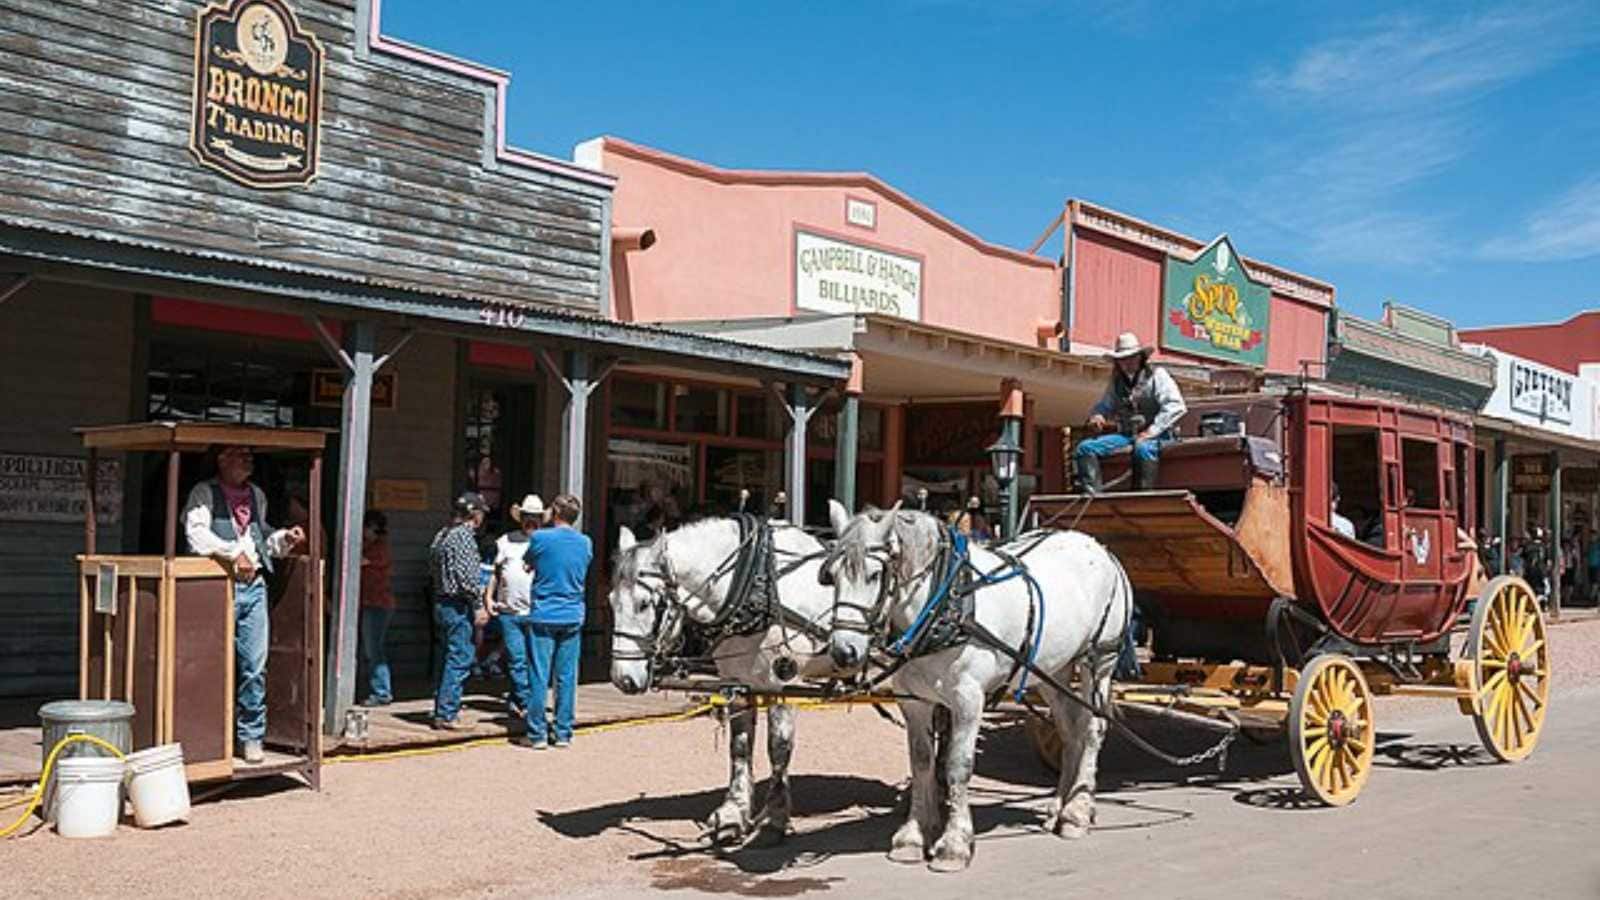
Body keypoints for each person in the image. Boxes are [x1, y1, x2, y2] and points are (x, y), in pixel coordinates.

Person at [182, 446, 304, 764]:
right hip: (217, 586)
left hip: (253, 588)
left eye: (250, 455)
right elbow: (196, 536)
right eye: (240, 454)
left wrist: (284, 539)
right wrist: (233, 552)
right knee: (210, 665)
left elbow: (260, 538)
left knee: (254, 666)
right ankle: (210, 738)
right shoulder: (204, 492)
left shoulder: (255, 495)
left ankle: (251, 736)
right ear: (222, 459)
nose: (248, 460)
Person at [521, 493, 593, 749]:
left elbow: (528, 562)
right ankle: (563, 732)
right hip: (572, 612)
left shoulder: (540, 537)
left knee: (539, 675)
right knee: (566, 676)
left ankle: (537, 733)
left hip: (544, 612)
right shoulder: (585, 542)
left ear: (556, 512)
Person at [1075, 331, 1187, 493]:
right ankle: (1093, 497)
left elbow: (1176, 406)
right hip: (1127, 436)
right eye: (1122, 359)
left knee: (1143, 448)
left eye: (1131, 357)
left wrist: (1151, 431)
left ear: (1140, 357)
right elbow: (1104, 405)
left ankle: (1140, 497)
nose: (1127, 362)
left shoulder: (1158, 376)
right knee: (1085, 448)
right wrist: (1097, 415)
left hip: (1159, 435)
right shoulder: (1116, 383)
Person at [430, 491, 489, 731]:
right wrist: (478, 605)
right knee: (460, 656)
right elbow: (467, 578)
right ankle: (447, 713)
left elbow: (433, 566)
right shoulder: (464, 537)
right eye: (481, 512)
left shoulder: (442, 535)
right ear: (474, 514)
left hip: (441, 600)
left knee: (445, 656)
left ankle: (440, 707)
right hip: (457, 604)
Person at [490, 494, 545, 724]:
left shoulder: (545, 542)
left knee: (532, 660)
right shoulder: (506, 541)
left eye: (535, 518)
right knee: (516, 658)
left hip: (535, 610)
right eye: (527, 517)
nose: (530, 521)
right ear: (520, 518)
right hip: (509, 610)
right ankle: (525, 702)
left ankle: (519, 700)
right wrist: (487, 598)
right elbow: (495, 572)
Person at [358, 510, 395, 708]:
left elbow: (357, 560)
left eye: (366, 528)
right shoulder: (373, 545)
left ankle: (381, 692)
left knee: (374, 650)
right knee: (371, 648)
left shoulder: (379, 548)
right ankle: (378, 689)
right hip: (369, 602)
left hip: (378, 604)